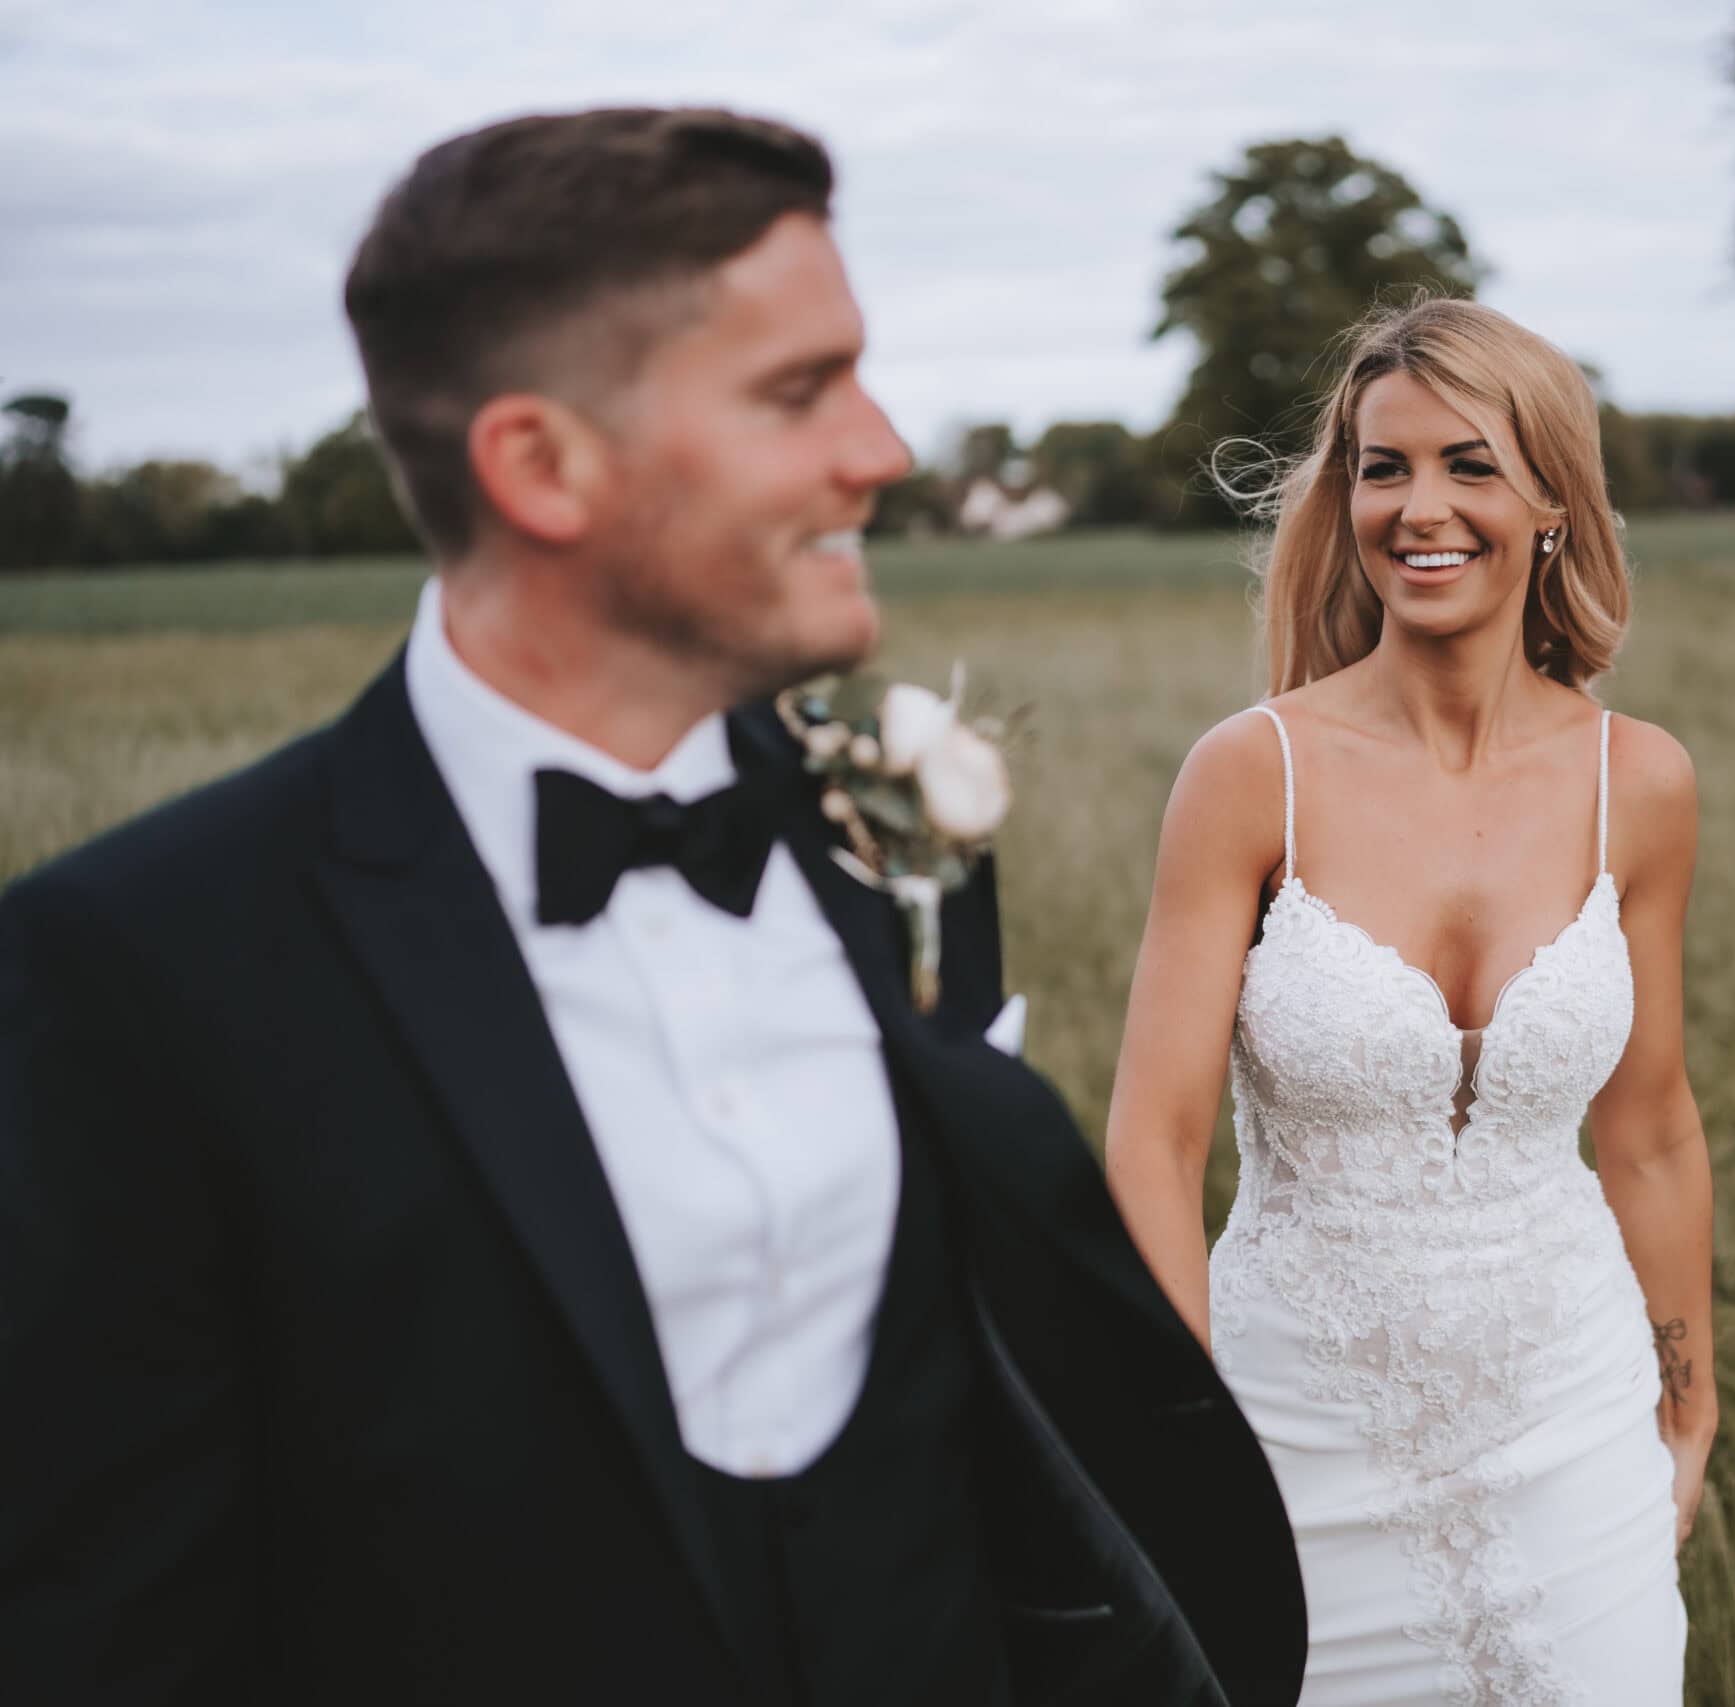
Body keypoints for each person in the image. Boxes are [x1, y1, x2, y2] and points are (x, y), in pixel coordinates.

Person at [0, 106, 1304, 1707]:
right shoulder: (136, 972)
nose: (882, 451)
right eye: (800, 392)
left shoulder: (877, 837)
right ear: (541, 465)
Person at [1104, 297, 1718, 1705]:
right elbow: (1154, 1141)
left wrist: (1689, 1399)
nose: (1418, 507)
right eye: (1384, 468)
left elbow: (1651, 1132)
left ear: (1553, 504)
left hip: (1574, 1426)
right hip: (1292, 1442)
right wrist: (1185, 1443)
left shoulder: (1641, 782)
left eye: (1468, 465)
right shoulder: (1251, 773)